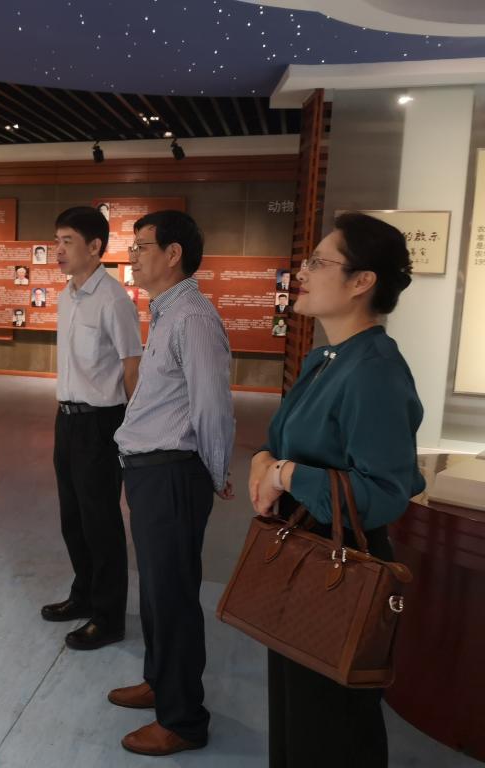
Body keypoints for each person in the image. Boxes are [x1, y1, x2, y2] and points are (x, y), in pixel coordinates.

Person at [249, 213, 423, 768]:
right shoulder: (325, 359)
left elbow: (386, 492)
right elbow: (281, 439)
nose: (302, 272)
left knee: (330, 726)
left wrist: (285, 475)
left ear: (361, 281)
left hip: (343, 563)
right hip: (304, 550)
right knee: (298, 710)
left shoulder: (374, 371)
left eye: (319, 262)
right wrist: (262, 459)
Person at [108, 210, 235, 757]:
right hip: (149, 471)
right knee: (156, 592)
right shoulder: (166, 312)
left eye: (141, 246)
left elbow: (212, 405)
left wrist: (216, 471)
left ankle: (183, 719)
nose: (133, 256)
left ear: (173, 253)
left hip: (173, 473)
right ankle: (159, 681)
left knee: (174, 596)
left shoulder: (193, 318)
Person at [43, 206, 142, 654]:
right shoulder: (67, 296)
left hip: (101, 423)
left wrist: (132, 429)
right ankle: (83, 594)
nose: (58, 250)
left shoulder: (113, 299)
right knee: (73, 518)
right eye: (57, 241)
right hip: (66, 420)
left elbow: (132, 366)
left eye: (67, 241)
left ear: (95, 246)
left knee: (101, 522)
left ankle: (109, 616)